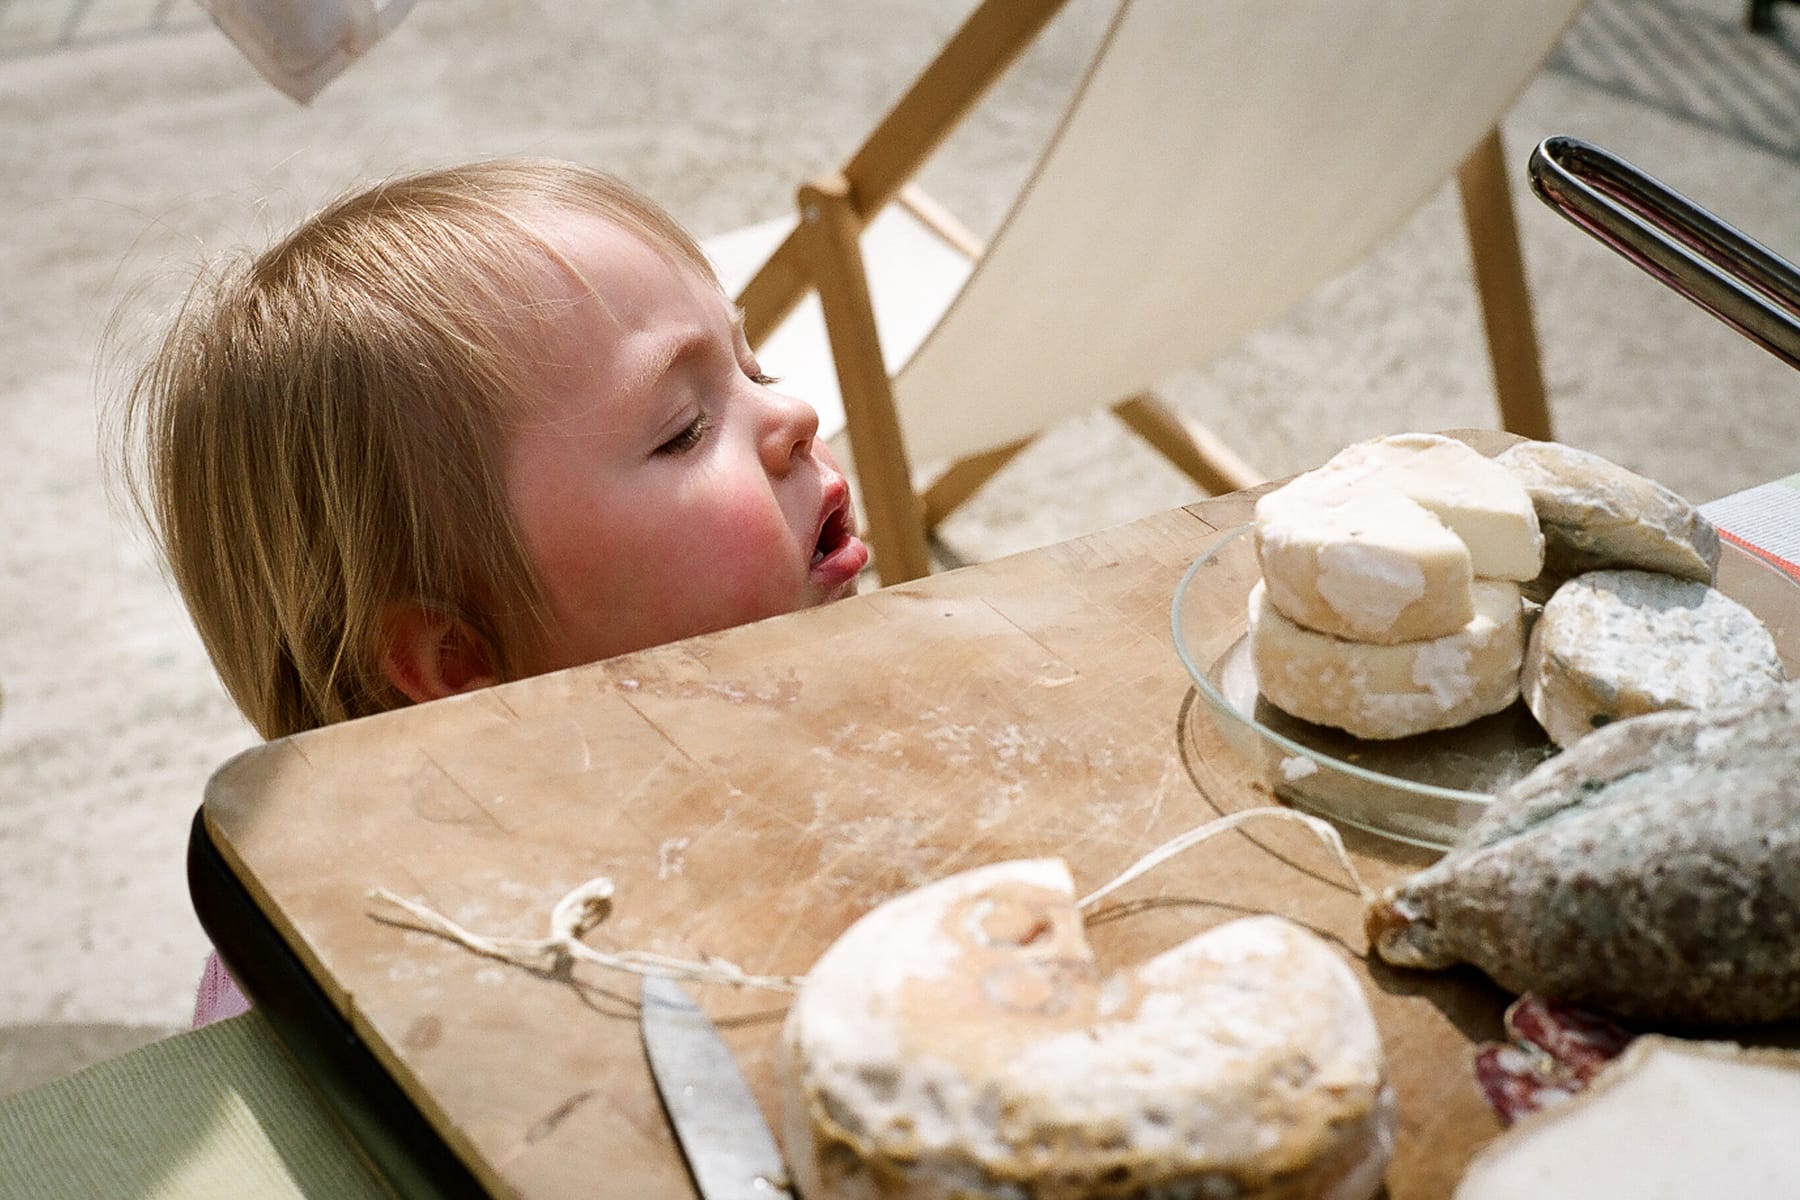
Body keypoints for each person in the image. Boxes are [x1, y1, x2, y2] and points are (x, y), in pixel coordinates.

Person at [117, 159, 870, 1023]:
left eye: (755, 370)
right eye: (684, 431)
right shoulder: (415, 992)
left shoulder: (797, 752)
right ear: (461, 658)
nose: (795, 416)